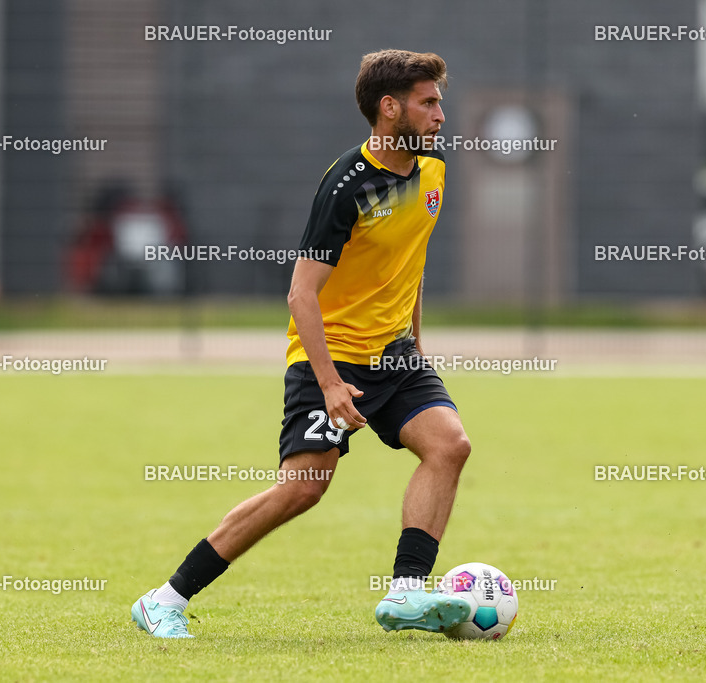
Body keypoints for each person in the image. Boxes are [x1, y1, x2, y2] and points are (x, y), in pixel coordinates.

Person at [132, 48, 471, 639]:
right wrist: (331, 384)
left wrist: (417, 345)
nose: (442, 113)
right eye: (429, 102)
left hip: (395, 355)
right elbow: (300, 296)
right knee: (303, 489)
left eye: (440, 101)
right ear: (390, 108)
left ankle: (406, 592)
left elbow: (408, 262)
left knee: (449, 445)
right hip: (332, 355)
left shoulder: (434, 167)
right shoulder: (348, 186)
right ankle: (164, 599)